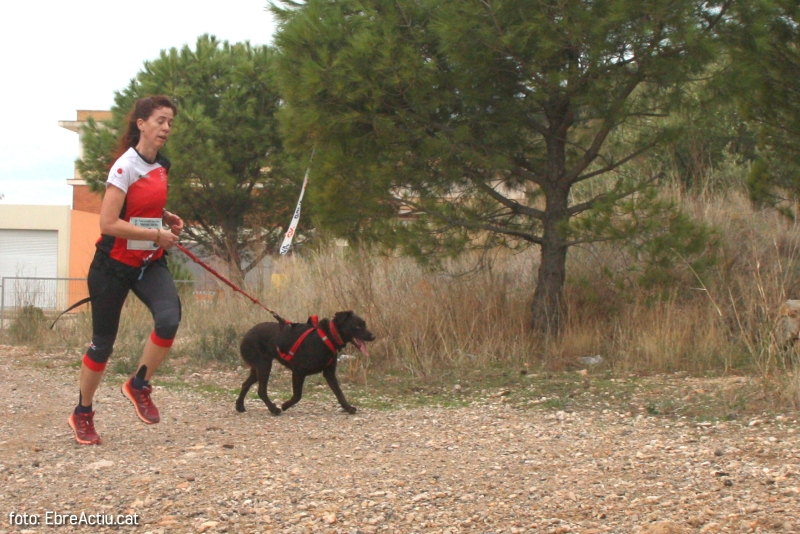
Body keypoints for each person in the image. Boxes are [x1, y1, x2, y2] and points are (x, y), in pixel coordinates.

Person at [68, 95, 185, 445]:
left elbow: (141, 205)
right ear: (141, 124)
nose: (166, 128)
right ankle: (83, 413)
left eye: (170, 123)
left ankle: (139, 385)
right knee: (103, 343)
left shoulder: (161, 164)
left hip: (148, 262)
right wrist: (156, 234)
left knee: (169, 320)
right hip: (112, 267)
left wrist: (165, 217)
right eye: (160, 120)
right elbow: (108, 223)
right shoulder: (124, 166)